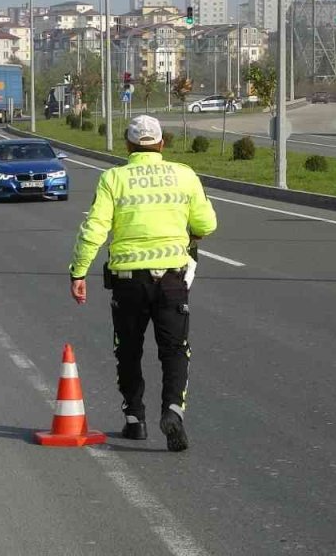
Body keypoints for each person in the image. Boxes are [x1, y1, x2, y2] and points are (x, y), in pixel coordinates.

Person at [68, 114, 218, 452]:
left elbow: (94, 229)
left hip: (127, 282)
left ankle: (135, 419)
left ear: (128, 145)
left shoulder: (113, 179)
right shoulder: (184, 175)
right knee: (175, 350)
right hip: (172, 280)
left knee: (129, 350)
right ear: (162, 144)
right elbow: (207, 224)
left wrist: (79, 272)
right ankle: (173, 412)